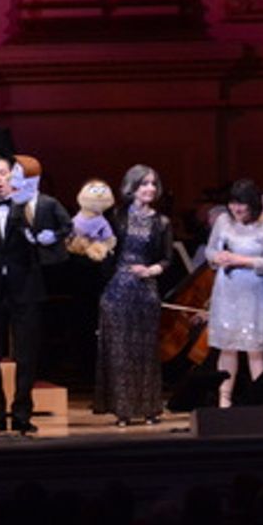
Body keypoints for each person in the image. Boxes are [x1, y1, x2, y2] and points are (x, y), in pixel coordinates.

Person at [0, 154, 69, 435]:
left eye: (3, 173)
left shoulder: (32, 205)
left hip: (25, 289)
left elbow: (62, 230)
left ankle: (22, 413)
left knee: (27, 354)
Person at [93, 165, 173, 426]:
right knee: (120, 352)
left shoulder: (162, 223)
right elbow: (103, 250)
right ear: (132, 187)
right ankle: (123, 410)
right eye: (143, 184)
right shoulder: (117, 217)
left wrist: (150, 269)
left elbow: (168, 259)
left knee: (146, 352)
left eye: (152, 183)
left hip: (146, 291)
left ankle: (150, 408)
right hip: (117, 291)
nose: (149, 188)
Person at [206, 179, 263, 407]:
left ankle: (262, 401)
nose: (236, 209)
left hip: (254, 291)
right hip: (227, 290)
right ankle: (224, 400)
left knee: (255, 349)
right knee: (227, 347)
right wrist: (216, 257)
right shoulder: (223, 221)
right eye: (233, 203)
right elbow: (210, 249)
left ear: (253, 204)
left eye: (242, 204)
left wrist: (242, 260)